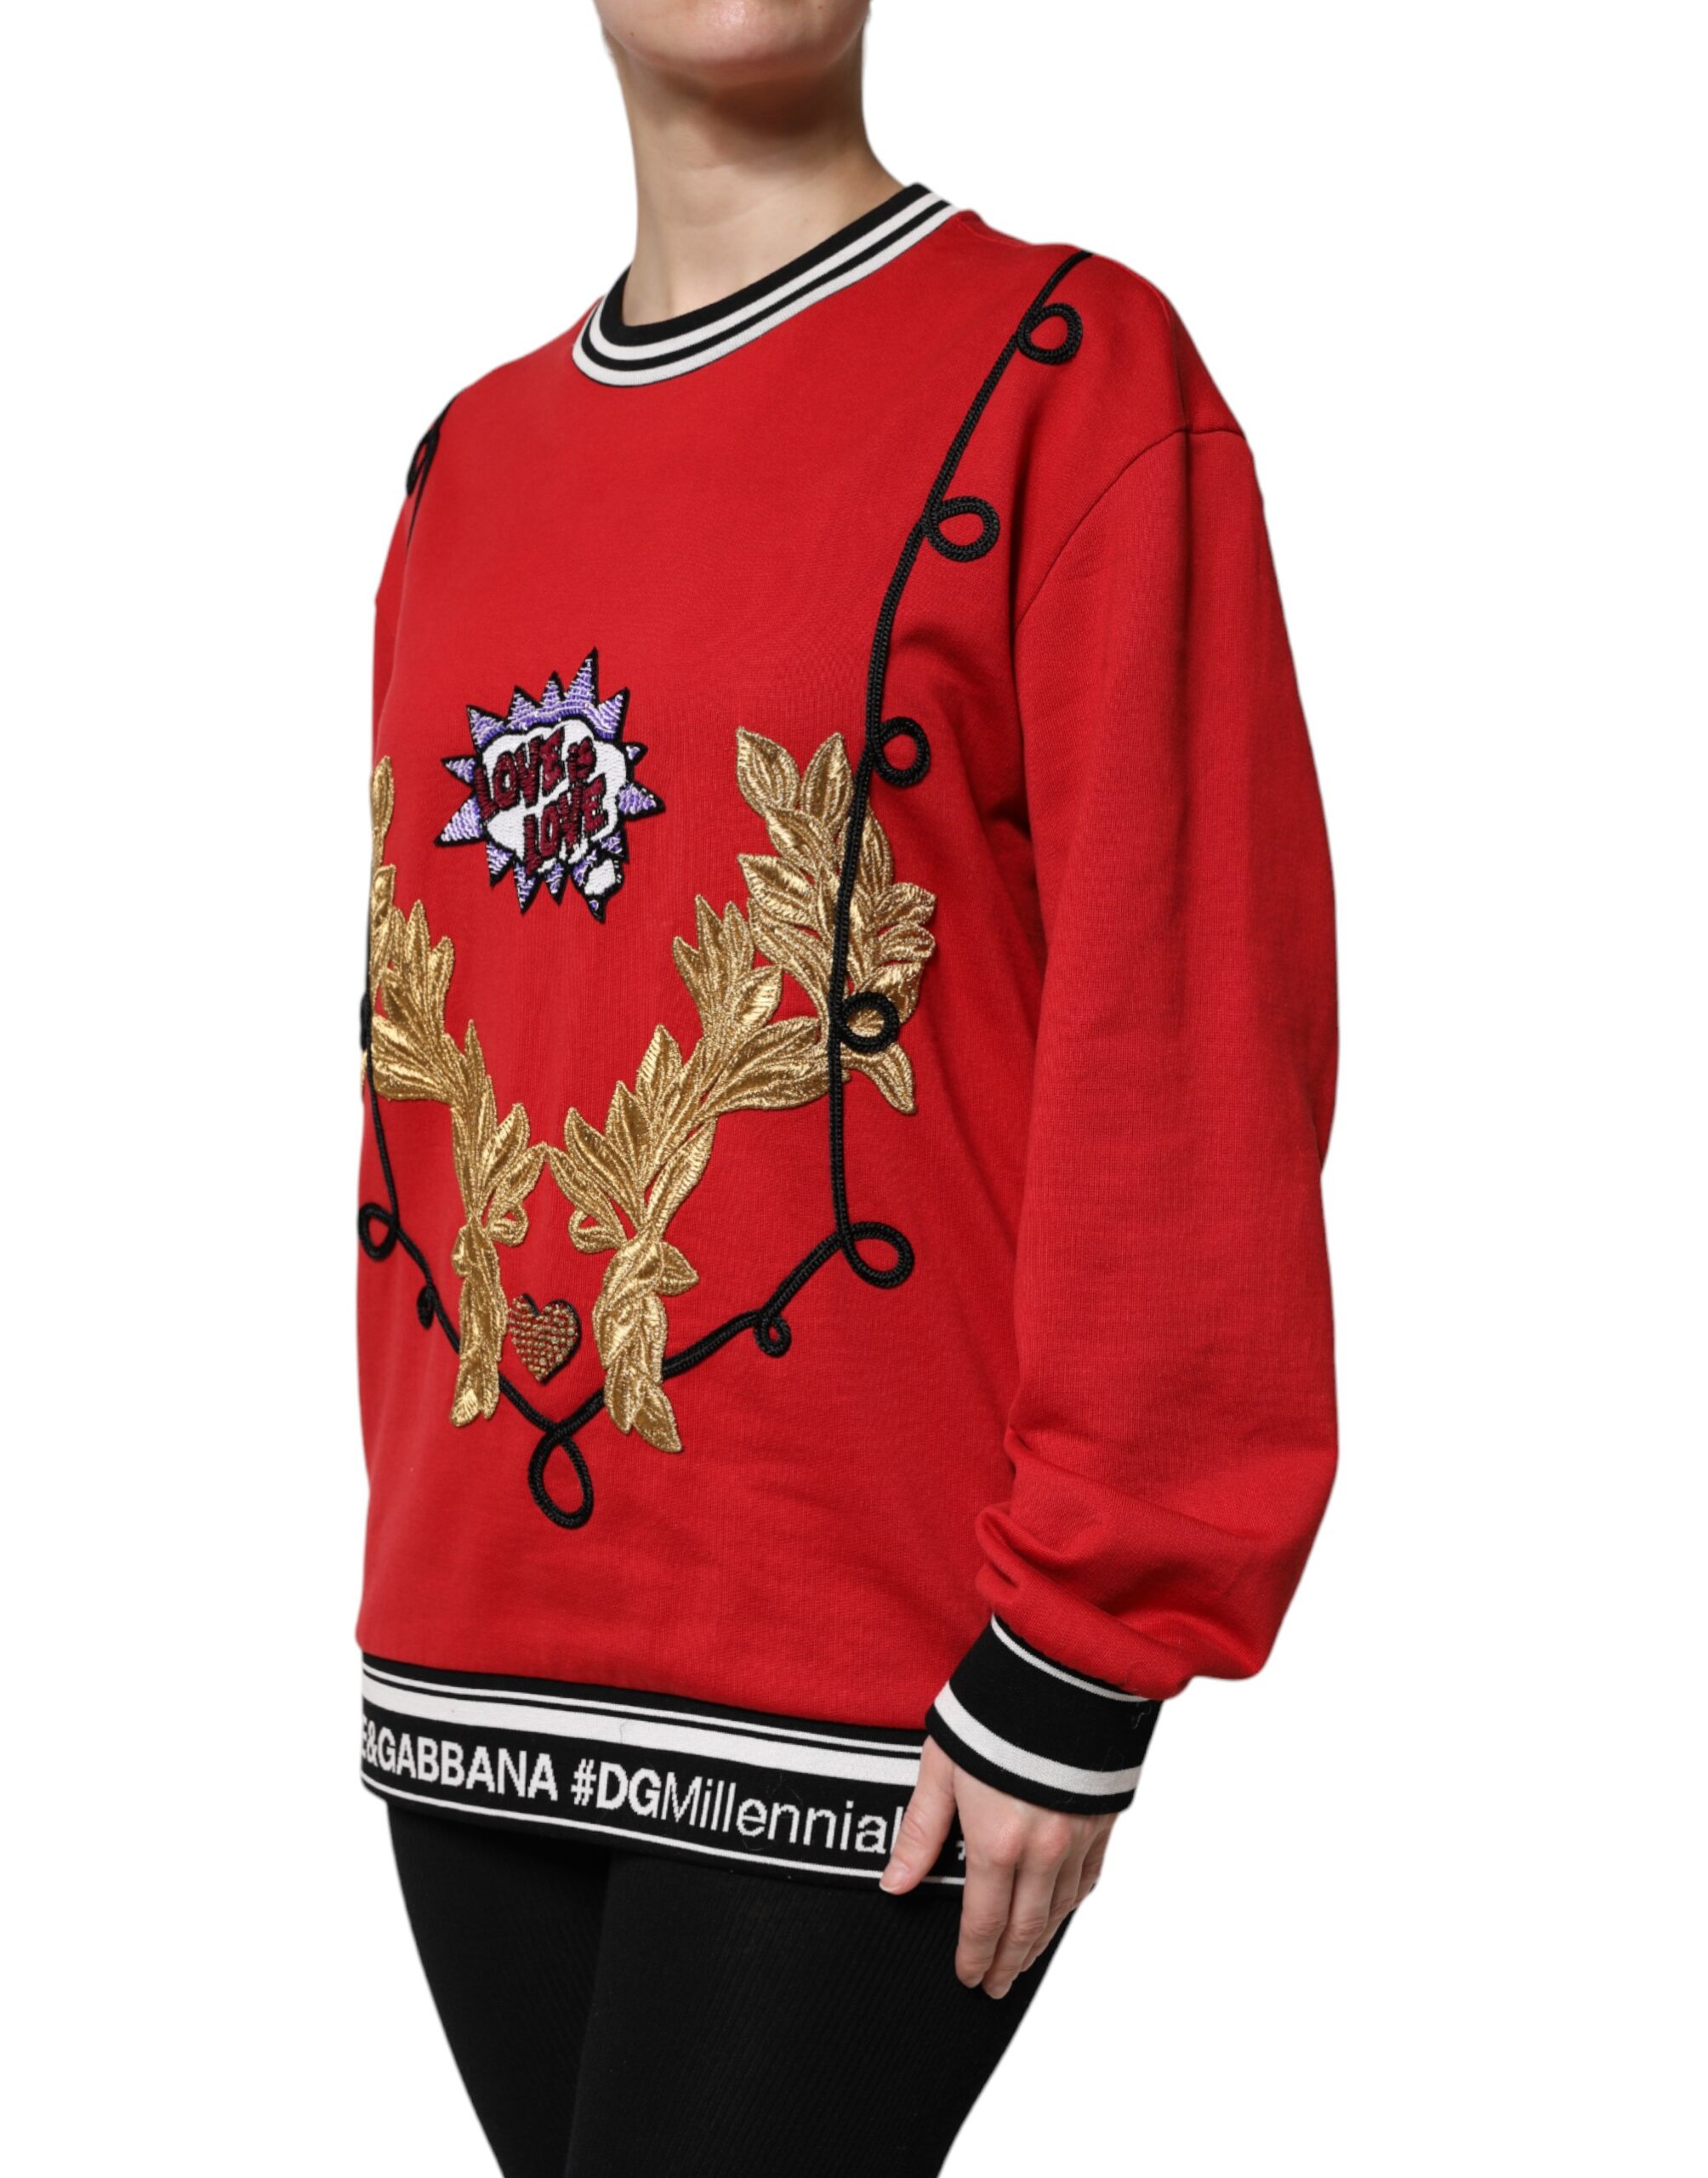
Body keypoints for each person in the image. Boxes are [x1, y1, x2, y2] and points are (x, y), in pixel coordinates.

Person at [355, 3, 1338, 2170]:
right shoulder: (463, 464)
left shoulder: (1069, 379)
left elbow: (1192, 1016)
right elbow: (430, 1045)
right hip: (473, 1668)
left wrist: (1086, 1635)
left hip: (873, 1697)